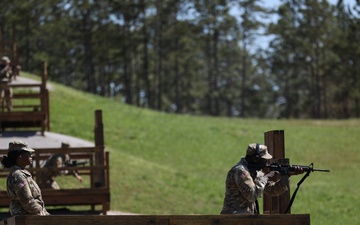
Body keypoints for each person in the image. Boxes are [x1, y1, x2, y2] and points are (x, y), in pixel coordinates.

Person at [220, 143, 303, 214]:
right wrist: (266, 177)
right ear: (255, 159)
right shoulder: (241, 171)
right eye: (264, 160)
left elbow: (272, 190)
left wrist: (286, 176)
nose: (266, 163)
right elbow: (252, 195)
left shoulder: (255, 173)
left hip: (245, 219)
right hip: (232, 218)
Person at [0, 140, 50, 216]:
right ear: (20, 156)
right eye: (28, 153)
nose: (31, 156)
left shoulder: (21, 174)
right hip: (26, 219)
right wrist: (44, 217)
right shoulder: (18, 176)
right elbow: (28, 202)